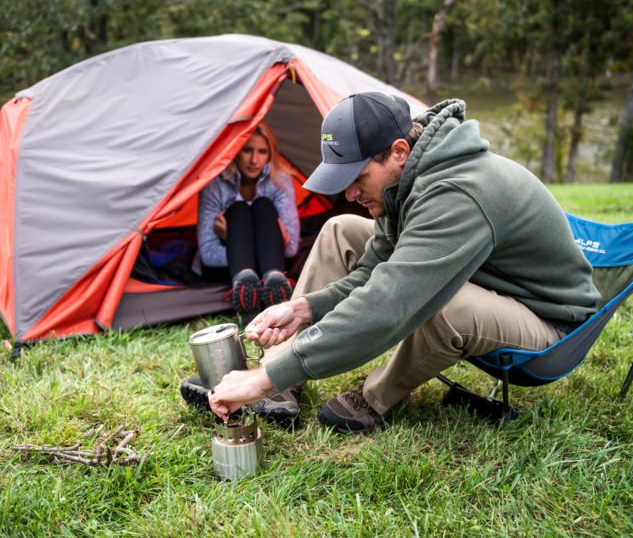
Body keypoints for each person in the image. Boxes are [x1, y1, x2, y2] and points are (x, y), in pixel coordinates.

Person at [207, 92, 601, 434]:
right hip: (492, 286)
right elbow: (370, 271)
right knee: (341, 228)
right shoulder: (405, 180)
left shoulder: (457, 193)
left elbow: (389, 302)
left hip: (548, 326)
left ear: (399, 151)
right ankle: (281, 377)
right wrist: (302, 309)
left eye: (358, 176)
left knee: (444, 301)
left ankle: (373, 398)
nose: (350, 191)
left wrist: (259, 379)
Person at [195, 121, 300, 322]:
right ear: (235, 150)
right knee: (239, 210)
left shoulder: (280, 181)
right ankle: (245, 291)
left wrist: (239, 241)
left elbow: (292, 248)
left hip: (272, 265)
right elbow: (207, 254)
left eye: (262, 152)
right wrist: (237, 242)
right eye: (247, 150)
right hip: (223, 269)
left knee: (262, 205)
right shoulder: (215, 185)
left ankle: (273, 288)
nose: (254, 160)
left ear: (270, 154)